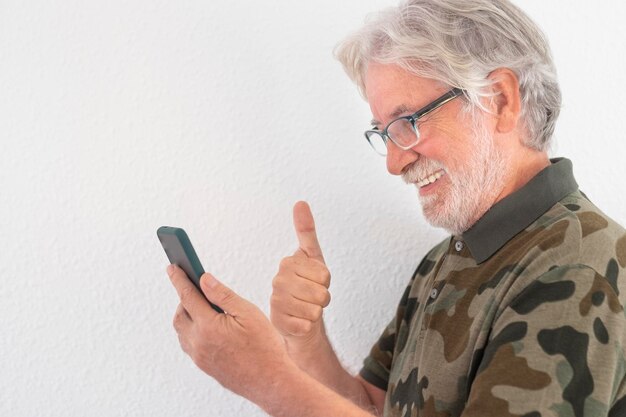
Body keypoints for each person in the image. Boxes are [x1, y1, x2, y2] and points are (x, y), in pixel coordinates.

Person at [166, 0, 626, 416]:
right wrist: (305, 338)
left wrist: (265, 378)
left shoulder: (581, 268)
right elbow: (370, 406)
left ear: (501, 100)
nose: (394, 161)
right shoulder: (446, 261)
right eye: (384, 132)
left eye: (407, 122)